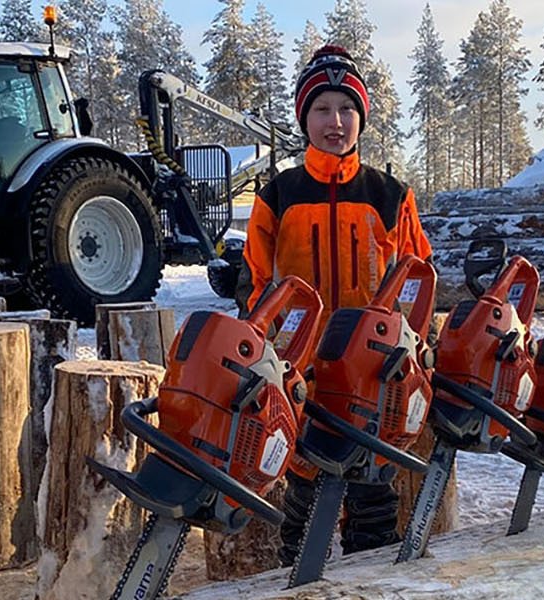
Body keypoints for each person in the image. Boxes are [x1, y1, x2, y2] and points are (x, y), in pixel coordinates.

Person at [240, 45, 433, 567]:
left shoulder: (389, 195)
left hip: (371, 369)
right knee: (301, 497)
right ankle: (295, 579)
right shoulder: (279, 195)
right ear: (305, 117)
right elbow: (257, 283)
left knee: (373, 496)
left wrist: (412, 348)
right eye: (322, 109)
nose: (336, 121)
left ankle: (372, 578)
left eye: (346, 109)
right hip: (301, 367)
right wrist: (266, 353)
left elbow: (417, 281)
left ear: (361, 117)